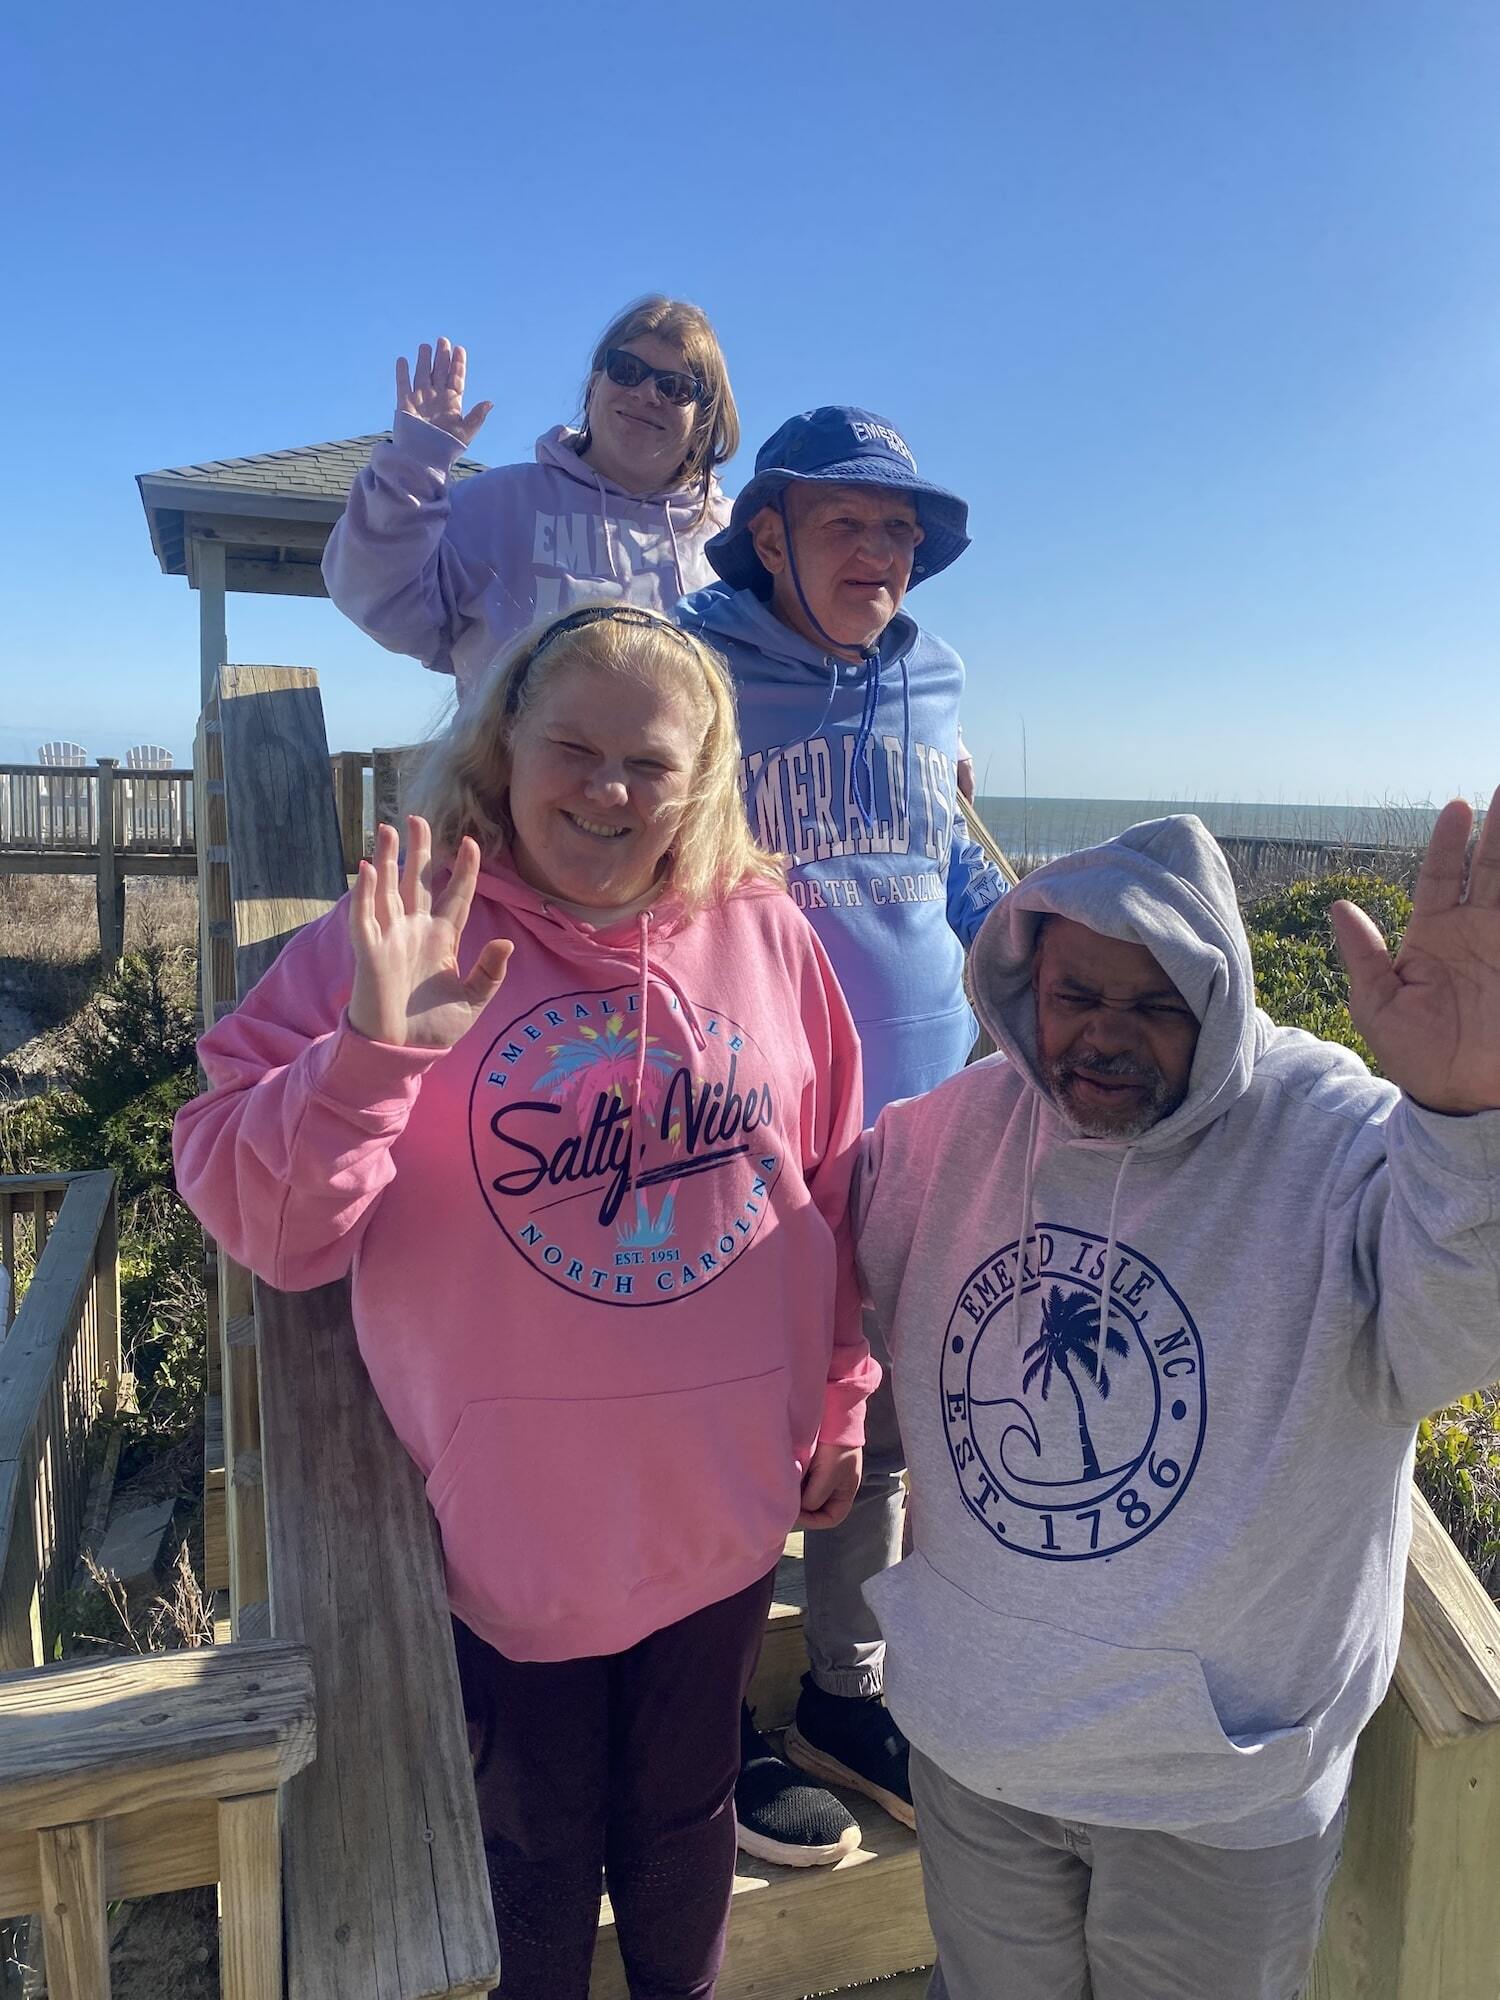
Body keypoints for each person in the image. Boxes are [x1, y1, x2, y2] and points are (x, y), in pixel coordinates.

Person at [173, 604, 877, 2000]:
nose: (608, 790)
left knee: (685, 1824)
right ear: (504, 747)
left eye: (648, 762)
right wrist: (373, 1054)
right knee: (534, 1849)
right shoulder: (406, 925)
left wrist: (842, 1392)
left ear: (702, 776)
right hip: (509, 1526)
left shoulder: (767, 930)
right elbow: (260, 1215)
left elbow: (831, 1183)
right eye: (572, 747)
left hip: (721, 1501)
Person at [852, 801, 1500, 1999]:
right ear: (1019, 982)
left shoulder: (1331, 1136)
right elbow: (795, 1284)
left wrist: (1465, 1120)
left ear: (1222, 997)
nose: (1104, 1038)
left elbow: (1457, 1333)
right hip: (979, 1750)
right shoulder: (942, 1139)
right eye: (1075, 997)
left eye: (1155, 1004)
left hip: (1222, 1793)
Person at [677, 407, 1010, 1863]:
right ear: (770, 535)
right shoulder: (691, 662)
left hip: (920, 1115)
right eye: (846, 524)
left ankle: (842, 1696)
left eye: (900, 530)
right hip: (747, 1127)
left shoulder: (936, 678)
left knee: (870, 1427)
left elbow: (949, 881)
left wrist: (1051, 987)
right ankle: (710, 1725)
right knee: (735, 1420)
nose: (881, 552)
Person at [322, 297, 739, 704]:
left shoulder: (740, 537)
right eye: (626, 370)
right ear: (595, 384)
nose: (648, 393)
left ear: (704, 417)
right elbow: (377, 599)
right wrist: (414, 466)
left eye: (676, 387)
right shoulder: (495, 505)